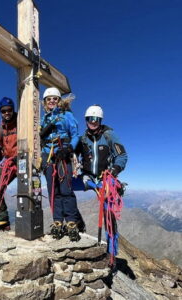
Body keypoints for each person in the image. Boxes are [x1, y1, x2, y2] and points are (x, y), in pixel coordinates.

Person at [77, 104, 128, 267]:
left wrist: (113, 172)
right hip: (87, 177)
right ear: (86, 120)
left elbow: (122, 156)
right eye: (90, 119)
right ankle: (76, 226)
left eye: (96, 119)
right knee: (64, 188)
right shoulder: (83, 139)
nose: (93, 122)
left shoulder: (109, 135)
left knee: (108, 215)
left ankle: (111, 254)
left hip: (105, 179)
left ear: (100, 120)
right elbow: (74, 153)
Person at [40, 87, 85, 242]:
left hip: (63, 154)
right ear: (45, 103)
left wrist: (68, 149)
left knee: (66, 189)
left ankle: (71, 222)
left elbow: (75, 135)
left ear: (59, 101)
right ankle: (57, 221)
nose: (52, 101)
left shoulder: (67, 116)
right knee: (53, 191)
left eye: (55, 98)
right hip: (48, 157)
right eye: (49, 99)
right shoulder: (44, 119)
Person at [0, 97, 17, 231]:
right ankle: (3, 218)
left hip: (24, 161)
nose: (7, 113)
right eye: (3, 111)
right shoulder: (0, 129)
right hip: (9, 162)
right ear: (0, 112)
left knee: (30, 190)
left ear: (13, 110)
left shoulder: (22, 122)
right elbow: (0, 148)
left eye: (9, 110)